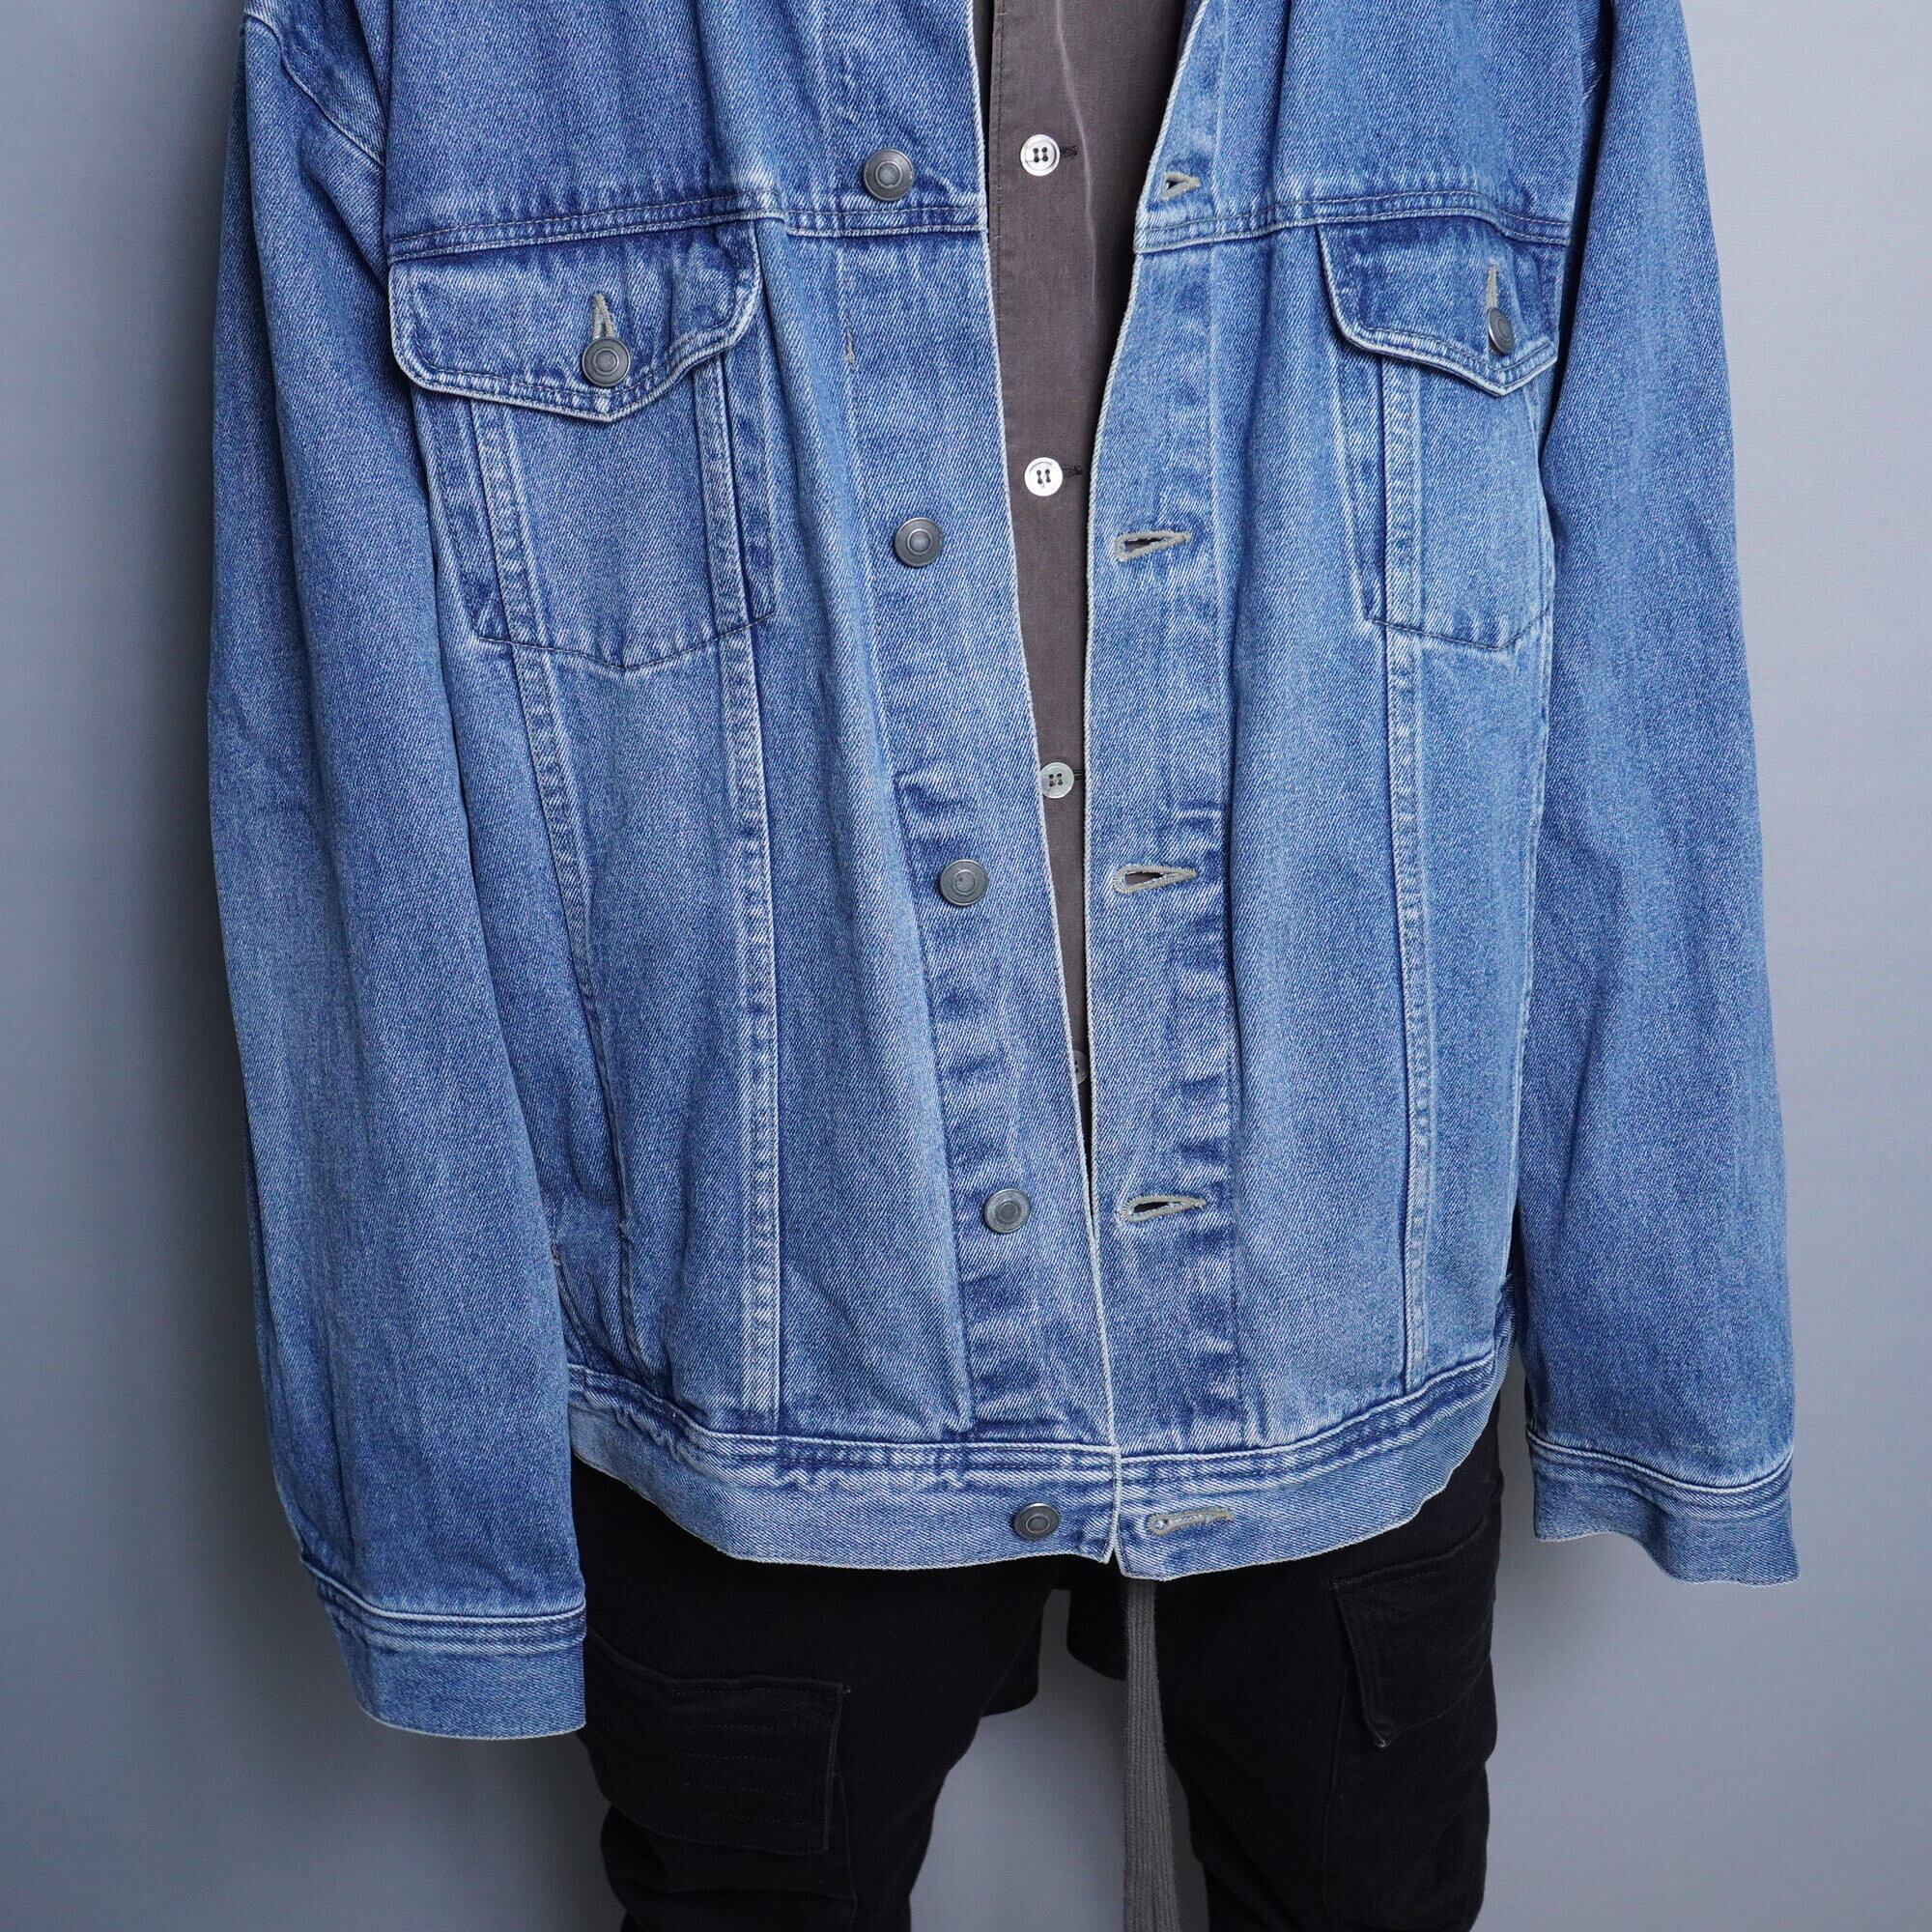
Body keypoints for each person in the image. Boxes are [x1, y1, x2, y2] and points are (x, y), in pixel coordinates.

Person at [210, 3, 1796, 1926]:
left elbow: (1635, 671)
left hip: (1331, 1336)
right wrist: (444, 1503)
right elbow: (347, 795)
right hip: (774, 1365)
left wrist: (1660, 1340)